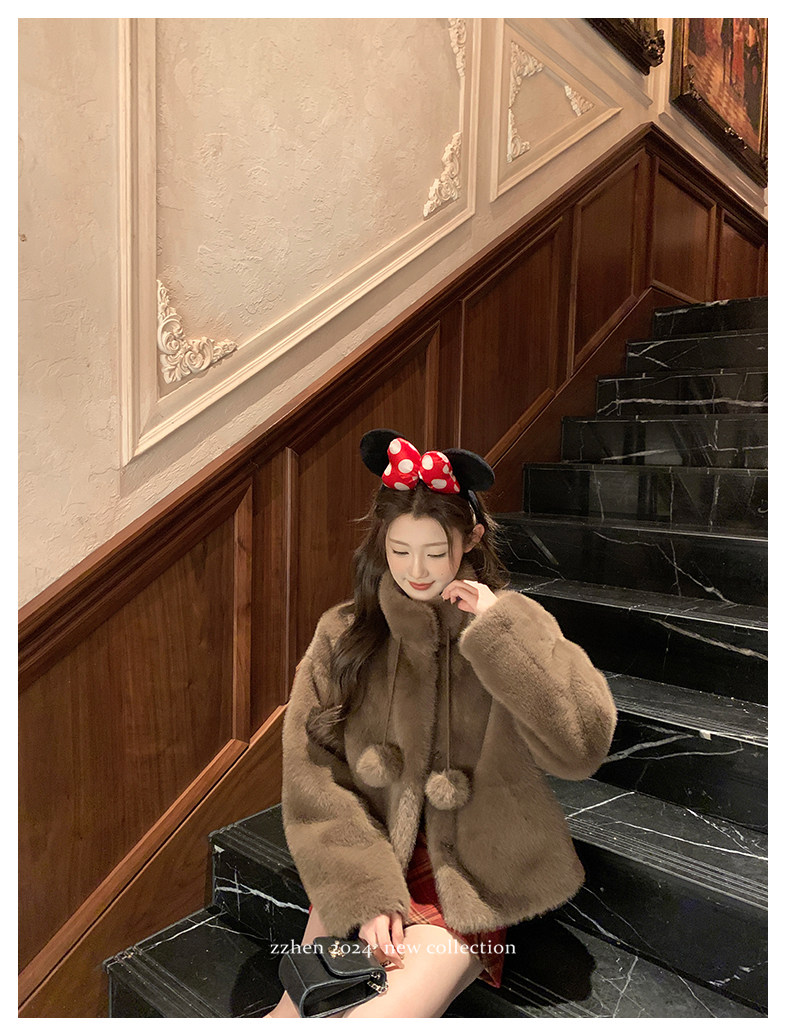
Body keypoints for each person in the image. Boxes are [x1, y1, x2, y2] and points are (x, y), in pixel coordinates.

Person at [265, 429, 618, 1018]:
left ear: (471, 538)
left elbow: (582, 746)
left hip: (466, 879)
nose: (417, 570)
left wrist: (499, 628)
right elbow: (314, 775)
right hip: (363, 853)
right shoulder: (344, 634)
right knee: (289, 1016)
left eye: (435, 551)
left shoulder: (513, 627)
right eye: (400, 550)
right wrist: (366, 892)